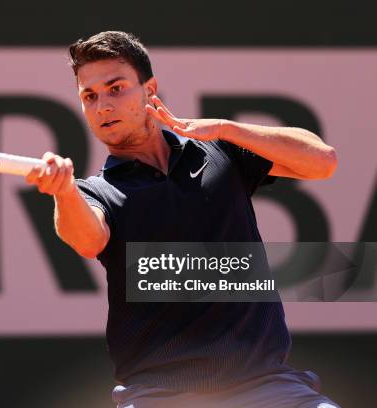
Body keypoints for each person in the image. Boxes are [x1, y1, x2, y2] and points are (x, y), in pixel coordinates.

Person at [25, 31, 339, 408]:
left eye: (116, 88)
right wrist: (64, 191)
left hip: (267, 386)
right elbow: (87, 239)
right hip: (160, 396)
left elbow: (322, 162)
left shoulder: (220, 152)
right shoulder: (95, 192)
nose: (103, 106)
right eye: (89, 97)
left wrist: (226, 129)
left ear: (150, 89)